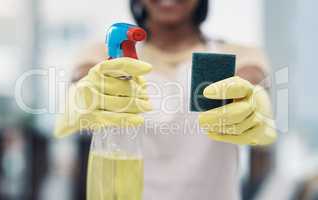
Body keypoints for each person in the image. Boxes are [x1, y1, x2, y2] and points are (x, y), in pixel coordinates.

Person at [55, 0, 277, 199]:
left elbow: (254, 83)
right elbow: (79, 81)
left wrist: (254, 102)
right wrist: (82, 97)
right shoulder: (102, 55)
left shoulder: (238, 57)